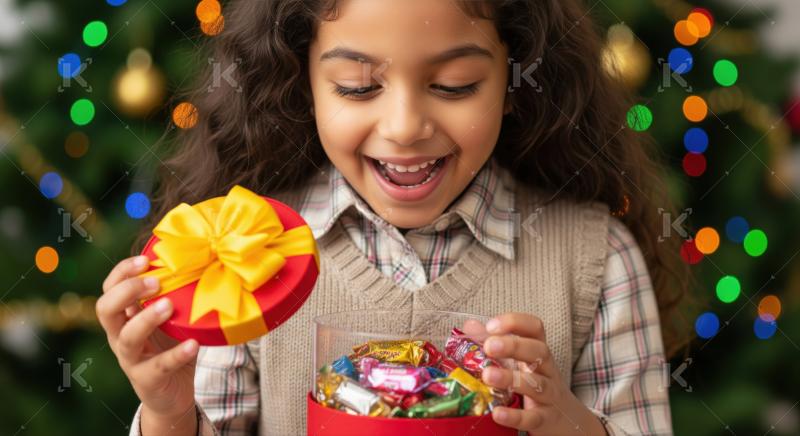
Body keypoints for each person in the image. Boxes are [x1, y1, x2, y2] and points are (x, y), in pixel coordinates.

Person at [96, 0, 689, 434]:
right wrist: (171, 416)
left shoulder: (594, 260)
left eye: (455, 85)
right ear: (303, 83)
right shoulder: (247, 254)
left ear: (514, 79)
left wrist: (569, 423)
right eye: (357, 87)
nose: (405, 127)